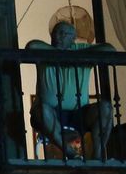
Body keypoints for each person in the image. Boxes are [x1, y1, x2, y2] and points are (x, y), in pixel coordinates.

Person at [26, 20, 114, 160]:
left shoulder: (81, 49)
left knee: (106, 108)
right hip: (51, 112)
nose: (58, 36)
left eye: (63, 33)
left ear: (73, 38)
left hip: (79, 113)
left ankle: (98, 156)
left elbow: (109, 49)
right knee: (42, 110)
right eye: (55, 33)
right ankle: (67, 150)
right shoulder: (45, 51)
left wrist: (75, 56)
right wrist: (63, 56)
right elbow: (31, 46)